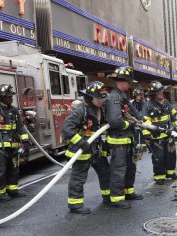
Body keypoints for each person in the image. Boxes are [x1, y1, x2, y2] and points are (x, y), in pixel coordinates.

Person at [61, 81, 110, 214]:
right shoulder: (81, 110)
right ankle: (75, 205)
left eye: (103, 98)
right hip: (81, 151)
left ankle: (108, 197)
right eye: (99, 98)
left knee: (105, 172)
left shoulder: (100, 109)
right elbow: (66, 130)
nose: (101, 101)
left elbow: (102, 128)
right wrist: (82, 142)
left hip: (96, 150)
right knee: (78, 178)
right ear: (90, 97)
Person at [105, 66, 143, 209]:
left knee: (130, 167)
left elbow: (133, 111)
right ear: (122, 81)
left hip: (127, 140)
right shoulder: (114, 98)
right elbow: (115, 121)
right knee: (119, 169)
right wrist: (131, 124)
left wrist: (141, 119)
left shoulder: (123, 96)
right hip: (118, 141)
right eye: (128, 82)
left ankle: (128, 191)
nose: (129, 85)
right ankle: (117, 198)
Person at [142, 81, 177, 185]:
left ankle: (170, 173)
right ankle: (159, 176)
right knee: (159, 157)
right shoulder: (148, 106)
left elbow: (173, 115)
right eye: (158, 92)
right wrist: (147, 135)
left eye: (161, 91)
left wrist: (176, 127)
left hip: (169, 136)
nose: (161, 93)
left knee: (171, 155)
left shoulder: (166, 103)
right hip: (156, 138)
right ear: (153, 94)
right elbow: (145, 122)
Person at [0, 84, 29, 202]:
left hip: (13, 145)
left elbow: (20, 127)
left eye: (11, 96)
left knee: (13, 168)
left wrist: (25, 141)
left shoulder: (13, 110)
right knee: (1, 170)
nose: (11, 99)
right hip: (0, 147)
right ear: (2, 97)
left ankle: (13, 189)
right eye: (9, 97)